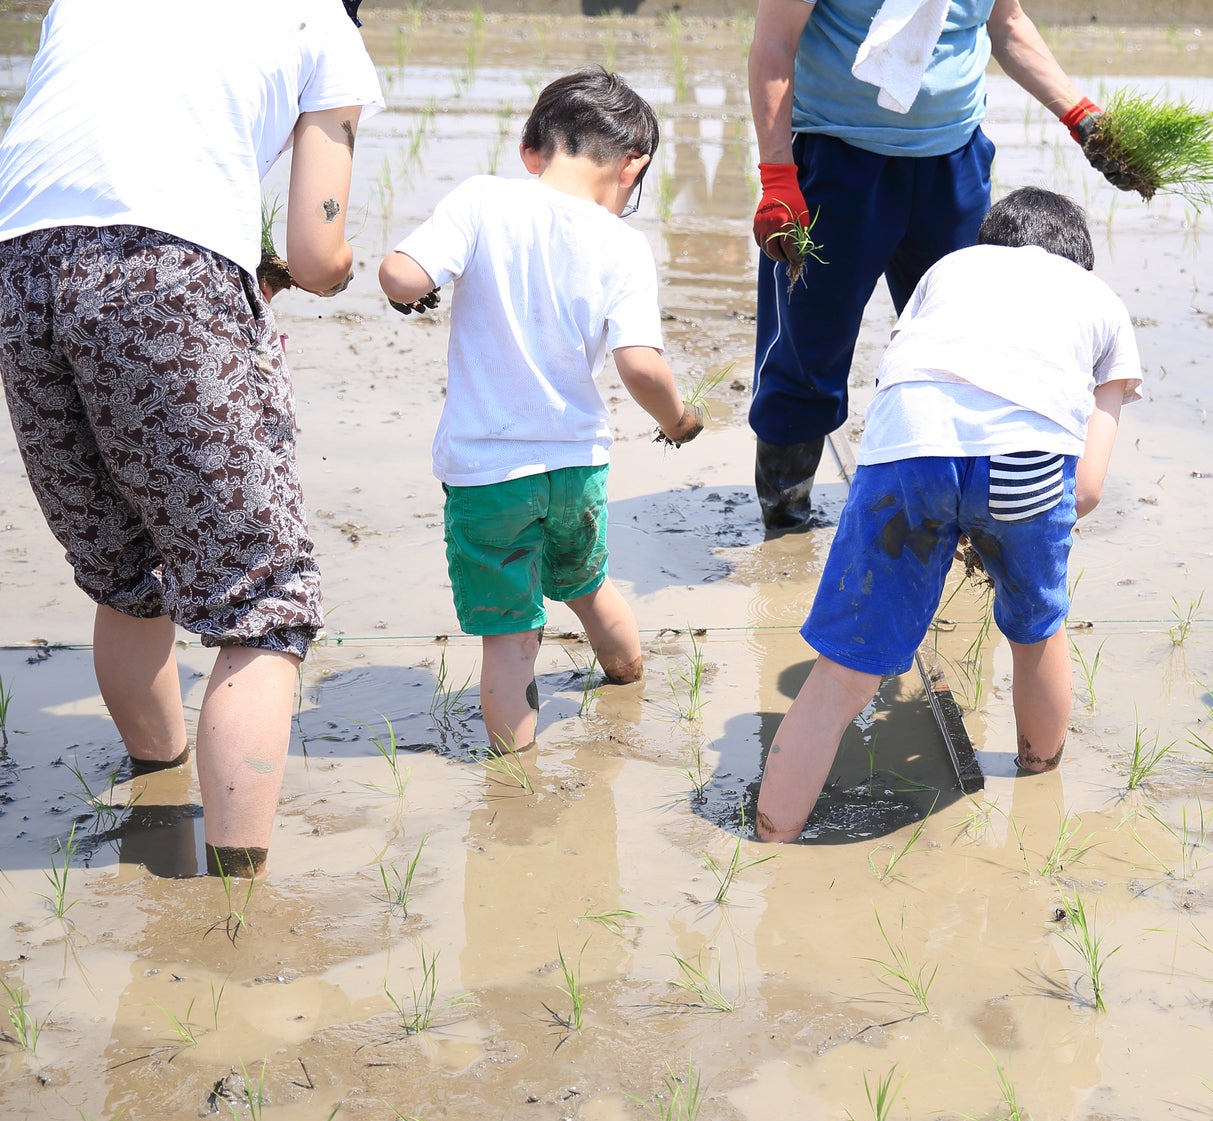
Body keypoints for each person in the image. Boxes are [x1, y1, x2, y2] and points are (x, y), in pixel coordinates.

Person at [0, 0, 381, 878]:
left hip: (19, 268)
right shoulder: (321, 22)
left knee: (125, 568)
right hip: (163, 272)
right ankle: (235, 899)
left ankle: (156, 783)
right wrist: (333, 263)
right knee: (265, 599)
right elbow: (317, 253)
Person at [754, 187, 1142, 842]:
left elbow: (913, 381)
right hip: (1029, 459)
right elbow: (1088, 488)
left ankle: (771, 834)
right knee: (1036, 630)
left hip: (910, 449)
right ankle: (1038, 775)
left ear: (988, 241)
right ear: (1082, 264)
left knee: (844, 668)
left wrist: (949, 507)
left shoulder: (947, 271)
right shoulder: (1101, 301)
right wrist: (998, 524)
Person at [379, 68, 705, 755]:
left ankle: (516, 773)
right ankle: (627, 673)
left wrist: (413, 287)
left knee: (510, 638)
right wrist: (678, 421)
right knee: (587, 583)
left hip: (486, 475)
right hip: (576, 467)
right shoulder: (623, 244)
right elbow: (642, 365)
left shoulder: (481, 200)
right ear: (632, 165)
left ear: (533, 151)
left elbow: (401, 275)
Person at [746, 0, 1134, 534]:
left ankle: (959, 509)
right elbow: (775, 40)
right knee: (809, 348)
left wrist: (1080, 115)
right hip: (838, 160)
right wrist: (777, 176)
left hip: (953, 165)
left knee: (973, 349)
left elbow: (1007, 23)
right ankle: (786, 518)